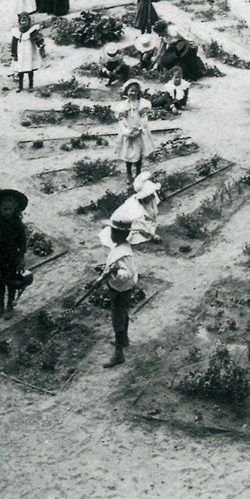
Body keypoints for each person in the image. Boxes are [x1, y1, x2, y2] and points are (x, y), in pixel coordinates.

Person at [99, 214, 139, 368]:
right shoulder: (120, 247)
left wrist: (115, 272)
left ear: (123, 234)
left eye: (115, 232)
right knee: (122, 313)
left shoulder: (123, 252)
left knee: (118, 318)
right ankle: (124, 340)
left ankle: (119, 353)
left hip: (120, 289)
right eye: (112, 231)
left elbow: (127, 273)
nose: (112, 234)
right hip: (121, 287)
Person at [0, 188, 29, 320]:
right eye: (5, 209)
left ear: (16, 209)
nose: (7, 212)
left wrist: (22, 257)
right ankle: (0, 306)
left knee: (11, 283)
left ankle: (10, 306)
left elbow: (22, 242)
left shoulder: (18, 224)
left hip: (11, 258)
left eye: (10, 210)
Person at [114, 79, 156, 186]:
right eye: (131, 91)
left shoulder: (142, 104)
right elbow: (121, 120)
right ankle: (129, 173)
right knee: (128, 152)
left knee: (139, 152)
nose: (133, 93)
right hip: (128, 132)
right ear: (127, 91)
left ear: (138, 92)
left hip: (139, 132)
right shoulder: (123, 106)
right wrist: (127, 131)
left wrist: (140, 129)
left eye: (135, 91)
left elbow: (144, 119)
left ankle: (138, 173)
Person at [10, 13, 47, 92]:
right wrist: (14, 54)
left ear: (29, 21)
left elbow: (38, 39)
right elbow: (14, 44)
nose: (24, 22)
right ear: (19, 22)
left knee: (30, 69)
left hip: (29, 53)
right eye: (22, 21)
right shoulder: (17, 32)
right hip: (20, 54)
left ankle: (30, 85)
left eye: (25, 20)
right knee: (20, 70)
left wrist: (41, 46)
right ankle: (20, 86)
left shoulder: (32, 31)